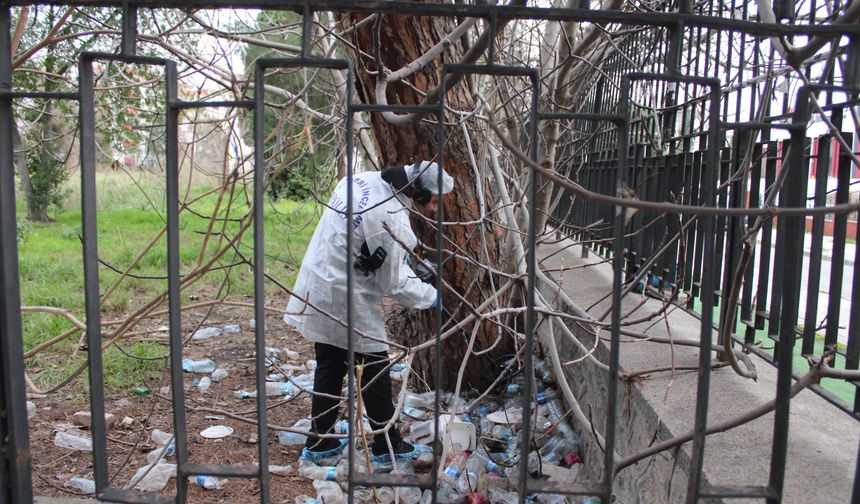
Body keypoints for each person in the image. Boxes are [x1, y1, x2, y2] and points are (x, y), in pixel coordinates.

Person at [284, 160, 454, 467]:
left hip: (320, 281)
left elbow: (367, 245)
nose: (433, 209)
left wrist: (403, 259)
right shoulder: (391, 218)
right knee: (374, 367)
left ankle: (320, 441)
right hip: (347, 296)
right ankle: (386, 445)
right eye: (434, 201)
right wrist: (431, 296)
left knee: (330, 362)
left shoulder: (360, 181)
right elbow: (394, 283)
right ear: (417, 192)